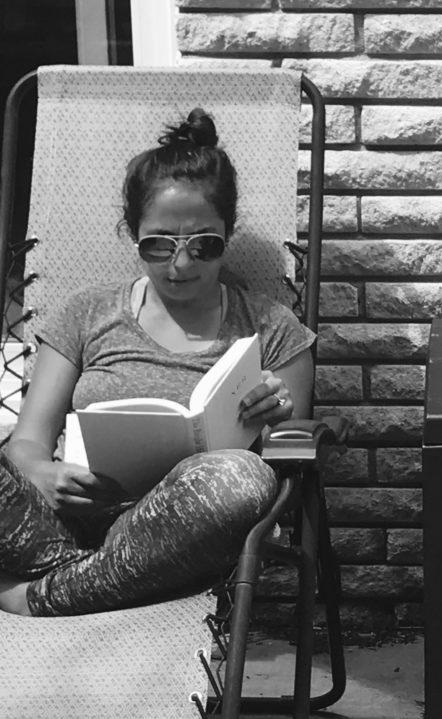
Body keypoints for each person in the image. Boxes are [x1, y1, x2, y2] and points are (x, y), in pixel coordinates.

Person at [0, 108, 314, 617]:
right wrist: (42, 472)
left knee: (240, 478)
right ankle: (84, 578)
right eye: (159, 245)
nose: (181, 264)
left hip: (182, 532)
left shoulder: (272, 328)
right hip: (61, 526)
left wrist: (280, 414)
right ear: (132, 234)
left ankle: (41, 597)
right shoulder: (87, 312)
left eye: (203, 245)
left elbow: (288, 470)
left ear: (227, 235)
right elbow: (27, 442)